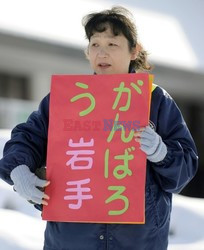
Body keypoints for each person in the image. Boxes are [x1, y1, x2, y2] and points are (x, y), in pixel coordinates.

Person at [0, 6, 198, 250]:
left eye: (112, 44)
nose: (102, 53)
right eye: (95, 45)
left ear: (133, 50)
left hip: (137, 241)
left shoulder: (155, 100)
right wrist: (18, 169)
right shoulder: (67, 98)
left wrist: (163, 153)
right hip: (71, 239)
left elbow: (186, 166)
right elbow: (28, 138)